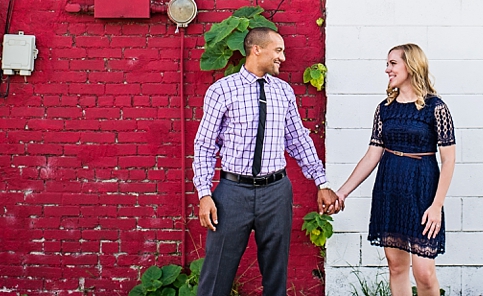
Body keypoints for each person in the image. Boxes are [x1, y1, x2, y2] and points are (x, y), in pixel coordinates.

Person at [192, 27, 340, 296]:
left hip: (276, 192)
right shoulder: (222, 90)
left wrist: (322, 181)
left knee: (275, 275)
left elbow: (298, 140)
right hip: (233, 193)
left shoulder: (283, 91)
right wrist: (204, 194)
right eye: (278, 50)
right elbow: (205, 144)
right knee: (216, 274)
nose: (282, 57)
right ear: (256, 49)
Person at [335, 43, 456, 296]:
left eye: (392, 63)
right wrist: (343, 192)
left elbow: (449, 160)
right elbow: (372, 155)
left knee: (424, 272)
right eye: (387, 63)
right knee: (396, 267)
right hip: (390, 189)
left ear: (411, 66)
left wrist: (437, 206)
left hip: (423, 192)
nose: (387, 69)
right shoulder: (384, 109)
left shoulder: (436, 108)